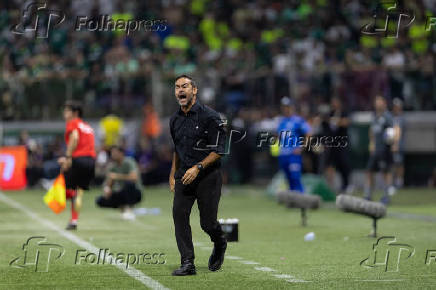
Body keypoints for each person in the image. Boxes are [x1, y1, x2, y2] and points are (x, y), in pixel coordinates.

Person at [169, 75, 227, 276]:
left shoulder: (211, 117)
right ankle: (187, 262)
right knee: (179, 215)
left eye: (184, 86)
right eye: (177, 87)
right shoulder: (174, 119)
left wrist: (198, 168)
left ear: (195, 90)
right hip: (184, 175)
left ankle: (220, 242)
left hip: (208, 177)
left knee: (207, 223)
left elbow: (219, 150)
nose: (180, 90)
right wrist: (172, 175)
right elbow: (177, 149)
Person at [58, 100, 96, 230]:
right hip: (91, 161)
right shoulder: (87, 126)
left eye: (67, 111)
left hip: (78, 159)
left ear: (75, 113)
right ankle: (74, 220)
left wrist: (68, 157)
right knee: (78, 191)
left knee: (65, 186)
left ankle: (70, 212)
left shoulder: (73, 123)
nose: (64, 113)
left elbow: (74, 138)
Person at [365, 96, 399, 204]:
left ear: (384, 103)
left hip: (385, 150)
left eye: (380, 102)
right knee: (369, 171)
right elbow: (371, 131)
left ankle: (386, 196)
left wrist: (394, 143)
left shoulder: (387, 116)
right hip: (376, 150)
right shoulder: (375, 116)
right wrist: (371, 143)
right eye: (376, 102)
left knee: (386, 173)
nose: (378, 104)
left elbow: (395, 129)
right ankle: (368, 195)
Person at [95, 146, 142, 220]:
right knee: (100, 200)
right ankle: (123, 207)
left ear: (121, 153)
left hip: (135, 193)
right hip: (121, 192)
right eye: (112, 153)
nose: (113, 155)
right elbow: (109, 181)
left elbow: (134, 177)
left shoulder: (129, 162)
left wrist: (117, 176)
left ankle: (129, 209)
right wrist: (107, 189)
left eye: (115, 153)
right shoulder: (112, 166)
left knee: (129, 184)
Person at [276, 97, 311, 193]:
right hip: (283, 154)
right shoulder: (281, 121)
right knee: (288, 178)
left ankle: (301, 198)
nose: (285, 109)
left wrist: (302, 147)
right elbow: (278, 136)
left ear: (291, 107)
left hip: (293, 154)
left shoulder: (298, 120)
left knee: (295, 176)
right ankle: (293, 200)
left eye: (287, 107)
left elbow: (308, 133)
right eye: (284, 107)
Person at [324, 97, 352, 194]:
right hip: (332, 144)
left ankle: (346, 184)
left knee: (343, 165)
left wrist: (336, 121)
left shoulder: (344, 112)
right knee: (329, 165)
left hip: (342, 144)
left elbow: (346, 122)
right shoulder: (330, 113)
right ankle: (329, 187)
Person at [392, 98, 405, 188]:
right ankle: (393, 182)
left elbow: (398, 131)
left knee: (399, 163)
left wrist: (396, 144)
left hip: (399, 145)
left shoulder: (401, 118)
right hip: (391, 145)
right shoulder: (391, 117)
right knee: (393, 164)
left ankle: (399, 182)